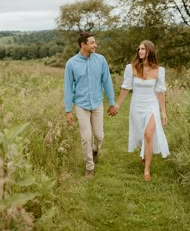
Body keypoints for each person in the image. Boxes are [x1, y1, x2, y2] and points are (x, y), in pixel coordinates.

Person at [112, 40, 169, 181]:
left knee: (149, 134)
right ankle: (143, 153)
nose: (140, 51)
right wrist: (117, 105)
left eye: (143, 49)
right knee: (140, 136)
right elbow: (126, 88)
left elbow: (160, 92)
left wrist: (163, 112)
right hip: (136, 106)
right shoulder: (131, 68)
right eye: (139, 49)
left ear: (150, 50)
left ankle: (147, 170)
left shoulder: (159, 71)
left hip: (152, 105)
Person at [64, 31, 117, 178]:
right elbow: (68, 87)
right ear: (83, 45)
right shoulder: (71, 64)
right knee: (86, 137)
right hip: (81, 105)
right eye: (92, 43)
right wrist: (68, 111)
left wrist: (112, 103)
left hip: (97, 103)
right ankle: (89, 167)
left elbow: (107, 82)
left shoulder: (100, 60)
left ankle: (95, 150)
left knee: (99, 136)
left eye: (95, 42)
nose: (95, 45)